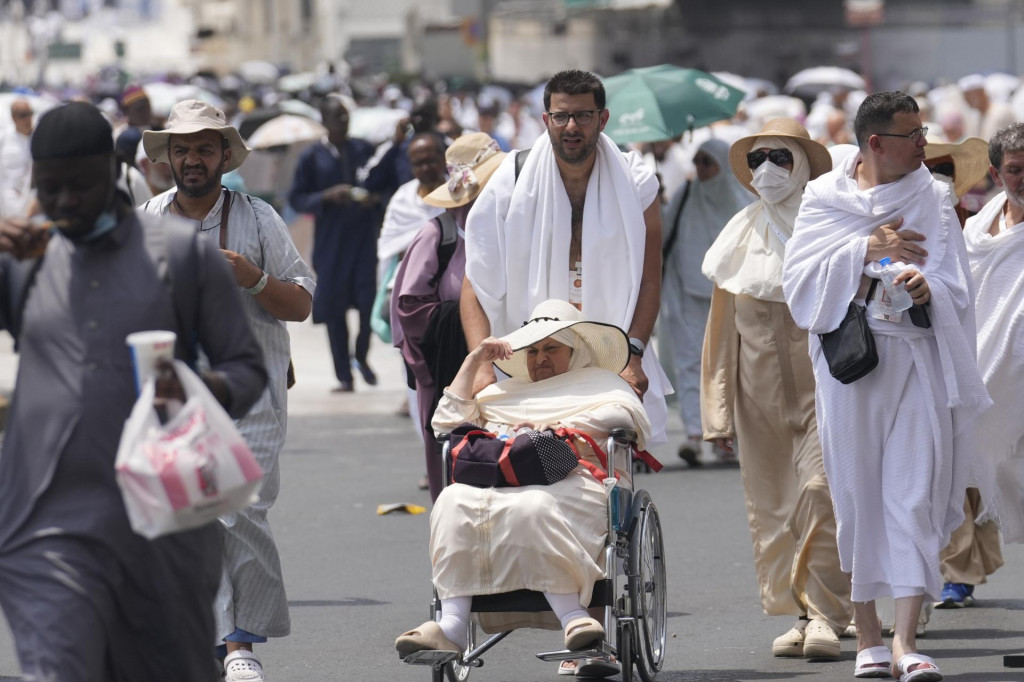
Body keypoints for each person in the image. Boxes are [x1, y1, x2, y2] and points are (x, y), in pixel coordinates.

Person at [0, 101, 267, 681]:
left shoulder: (182, 254)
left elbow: (248, 371)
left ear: (113, 171)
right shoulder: (20, 261)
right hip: (46, 530)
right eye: (50, 189)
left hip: (163, 530)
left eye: (80, 185)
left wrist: (187, 389)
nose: (64, 201)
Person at [784, 91, 991, 681]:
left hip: (918, 359)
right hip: (851, 367)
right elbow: (798, 280)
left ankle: (905, 641)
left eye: (924, 132)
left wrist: (929, 290)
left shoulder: (933, 193)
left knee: (914, 494)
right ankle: (866, 638)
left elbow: (955, 280)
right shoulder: (825, 197)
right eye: (913, 136)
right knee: (856, 497)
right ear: (876, 143)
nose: (925, 144)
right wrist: (865, 248)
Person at [140, 99, 314, 682]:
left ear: (223, 156)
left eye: (205, 148)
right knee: (197, 514)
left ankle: (237, 644)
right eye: (182, 148)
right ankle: (225, 645)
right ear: (167, 157)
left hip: (254, 392)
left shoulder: (258, 218)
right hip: (174, 394)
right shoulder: (149, 218)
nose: (193, 159)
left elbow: (301, 302)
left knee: (241, 509)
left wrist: (254, 279)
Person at [394, 299, 651, 679]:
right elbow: (445, 423)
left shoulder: (601, 385)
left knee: (534, 506)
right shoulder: (502, 393)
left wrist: (555, 427)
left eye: (551, 349)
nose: (540, 359)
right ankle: (451, 626)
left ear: (575, 351)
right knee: (451, 500)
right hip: (500, 480)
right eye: (532, 351)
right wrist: (476, 359)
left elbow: (624, 417)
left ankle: (574, 617)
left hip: (571, 476)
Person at [700, 118, 852, 661]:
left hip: (829, 391)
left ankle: (829, 614)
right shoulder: (738, 234)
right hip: (756, 398)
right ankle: (802, 612)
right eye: (759, 158)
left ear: (805, 164)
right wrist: (716, 415)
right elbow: (720, 336)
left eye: (781, 158)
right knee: (775, 508)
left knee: (819, 493)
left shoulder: (831, 229)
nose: (768, 170)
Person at [461, 69, 671, 444]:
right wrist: (481, 366)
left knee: (606, 466)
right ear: (546, 120)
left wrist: (633, 354)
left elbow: (650, 280)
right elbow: (476, 282)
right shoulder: (510, 180)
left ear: (602, 119)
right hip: (527, 358)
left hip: (609, 355)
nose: (571, 126)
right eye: (561, 116)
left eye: (583, 115)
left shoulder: (636, 181)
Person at [392, 132, 505, 501]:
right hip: (451, 371)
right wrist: (463, 321)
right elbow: (409, 306)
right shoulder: (438, 235)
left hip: (507, 365)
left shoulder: (508, 229)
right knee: (455, 467)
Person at [954, 123, 1024, 597]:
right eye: (1016, 169)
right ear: (997, 174)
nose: (1023, 178)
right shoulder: (978, 228)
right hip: (992, 383)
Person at [660, 138, 749, 466]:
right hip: (687, 292)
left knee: (731, 365)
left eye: (707, 162)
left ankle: (726, 435)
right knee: (690, 363)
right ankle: (695, 434)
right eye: (697, 161)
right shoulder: (685, 196)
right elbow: (665, 232)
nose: (701, 168)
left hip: (732, 295)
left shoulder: (743, 201)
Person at [289, 94, 380, 392]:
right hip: (331, 243)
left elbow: (382, 182)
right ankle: (344, 375)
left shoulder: (363, 149)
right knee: (335, 309)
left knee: (368, 303)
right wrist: (327, 196)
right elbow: (297, 198)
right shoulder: (312, 156)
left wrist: (373, 200)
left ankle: (362, 356)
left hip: (364, 239)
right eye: (337, 117)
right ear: (324, 121)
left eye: (345, 116)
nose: (343, 121)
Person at [0, 98, 34, 218]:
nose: (28, 119)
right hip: (7, 201)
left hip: (32, 200)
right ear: (14, 117)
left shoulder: (39, 138)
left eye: (30, 113)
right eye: (23, 115)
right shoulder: (4, 139)